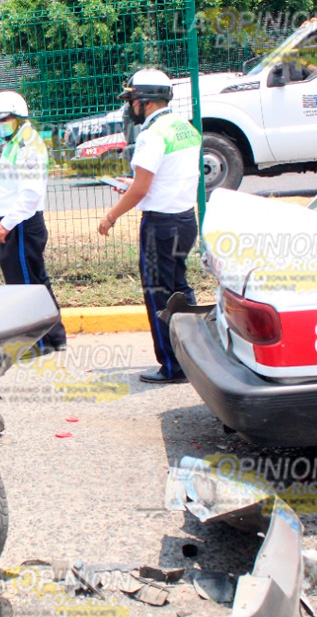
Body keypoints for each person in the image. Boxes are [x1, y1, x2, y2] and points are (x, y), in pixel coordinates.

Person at [97, 69, 201, 384]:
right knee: (180, 292)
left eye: (131, 100)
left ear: (146, 101)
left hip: (160, 226)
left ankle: (172, 366)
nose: (130, 107)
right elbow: (161, 178)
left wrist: (111, 215)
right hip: (185, 220)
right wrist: (133, 186)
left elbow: (142, 189)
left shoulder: (152, 135)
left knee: (158, 295)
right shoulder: (185, 128)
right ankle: (196, 357)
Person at [0, 91, 67, 354]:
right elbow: (7, 184)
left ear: (17, 117)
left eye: (2, 119)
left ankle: (40, 342)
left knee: (26, 286)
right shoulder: (14, 144)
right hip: (16, 224)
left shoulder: (29, 147)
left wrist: (5, 225)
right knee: (34, 281)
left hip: (21, 225)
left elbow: (30, 194)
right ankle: (54, 337)